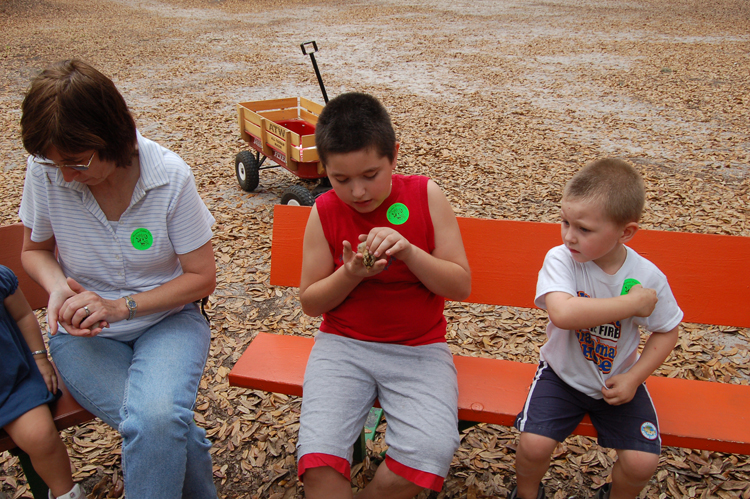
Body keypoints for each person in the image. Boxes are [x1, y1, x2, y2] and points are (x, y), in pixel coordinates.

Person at [18, 60, 218, 499]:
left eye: (77, 162)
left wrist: (119, 306)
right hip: (83, 335)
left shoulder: (168, 177)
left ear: (114, 134)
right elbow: (33, 251)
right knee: (164, 425)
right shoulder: (48, 171)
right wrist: (57, 288)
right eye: (55, 164)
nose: (66, 175)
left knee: (157, 422)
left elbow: (202, 278)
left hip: (168, 322)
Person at [296, 92, 472, 499]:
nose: (358, 192)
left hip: (419, 348)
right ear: (325, 170)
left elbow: (460, 285)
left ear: (394, 155)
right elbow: (310, 302)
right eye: (341, 180)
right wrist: (351, 274)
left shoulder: (427, 196)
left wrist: (409, 251)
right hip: (343, 346)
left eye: (371, 174)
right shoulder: (323, 211)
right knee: (319, 459)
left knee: (430, 453)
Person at [510, 158, 683, 499]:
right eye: (565, 222)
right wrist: (632, 305)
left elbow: (667, 330)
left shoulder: (647, 277)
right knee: (533, 444)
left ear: (626, 232)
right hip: (560, 375)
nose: (569, 236)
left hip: (617, 380)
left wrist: (635, 378)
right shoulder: (561, 259)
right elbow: (563, 313)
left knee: (641, 463)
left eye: (584, 229)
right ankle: (527, 494)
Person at [0, 265, 85, 499]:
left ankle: (65, 493)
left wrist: (39, 357)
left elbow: (23, 315)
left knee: (40, 436)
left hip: (12, 383)